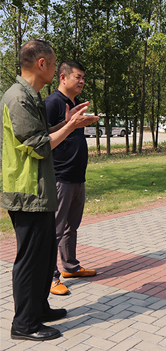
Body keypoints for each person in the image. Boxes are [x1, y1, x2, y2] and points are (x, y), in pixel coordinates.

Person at [1, 39, 97, 341]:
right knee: (30, 260)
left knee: (44, 256)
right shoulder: (18, 97)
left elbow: (41, 135)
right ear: (41, 63)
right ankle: (24, 325)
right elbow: (38, 146)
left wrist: (67, 123)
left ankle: (39, 309)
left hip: (39, 190)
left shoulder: (30, 96)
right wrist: (69, 127)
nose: (56, 70)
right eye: (54, 65)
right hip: (25, 191)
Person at [44, 60, 97, 296]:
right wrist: (67, 123)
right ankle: (50, 276)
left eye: (83, 77)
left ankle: (70, 266)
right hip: (60, 176)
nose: (82, 81)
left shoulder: (75, 104)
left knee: (71, 227)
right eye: (78, 77)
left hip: (77, 176)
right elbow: (43, 138)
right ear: (63, 77)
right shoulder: (52, 103)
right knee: (54, 230)